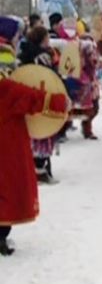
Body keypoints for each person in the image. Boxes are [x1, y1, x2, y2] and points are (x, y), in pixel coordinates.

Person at [0, 16, 69, 256]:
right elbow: (19, 94)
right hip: (6, 140)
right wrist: (57, 101)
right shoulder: (5, 75)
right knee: (7, 187)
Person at [18, 26, 61, 184]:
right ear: (42, 40)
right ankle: (41, 169)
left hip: (27, 100)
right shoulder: (43, 57)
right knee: (44, 133)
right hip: (42, 97)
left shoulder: (22, 55)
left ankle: (34, 169)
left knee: (32, 132)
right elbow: (51, 78)